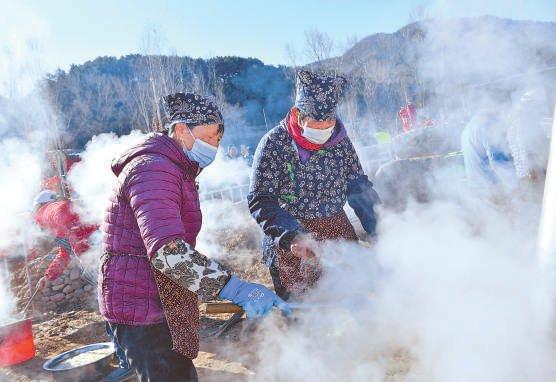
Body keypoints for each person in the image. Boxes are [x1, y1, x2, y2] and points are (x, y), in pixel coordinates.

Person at [98, 92, 290, 382]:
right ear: (181, 130)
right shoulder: (154, 169)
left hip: (157, 296)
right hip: (140, 303)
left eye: (218, 139)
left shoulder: (173, 167)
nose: (215, 146)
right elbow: (169, 253)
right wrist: (234, 289)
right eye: (210, 136)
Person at [248, 70, 380, 298]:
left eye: (327, 121)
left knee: (354, 298)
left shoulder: (340, 141)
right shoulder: (274, 143)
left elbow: (359, 187)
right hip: (292, 238)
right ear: (297, 114)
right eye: (315, 122)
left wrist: (382, 230)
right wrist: (292, 234)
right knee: (303, 311)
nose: (322, 129)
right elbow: (261, 200)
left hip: (338, 232)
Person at [32, 190, 133, 381]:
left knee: (116, 311)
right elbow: (65, 252)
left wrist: (86, 253)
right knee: (113, 311)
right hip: (106, 258)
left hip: (104, 259)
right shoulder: (61, 216)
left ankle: (128, 362)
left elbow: (74, 227)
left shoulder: (53, 209)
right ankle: (126, 356)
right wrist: (48, 275)